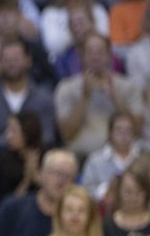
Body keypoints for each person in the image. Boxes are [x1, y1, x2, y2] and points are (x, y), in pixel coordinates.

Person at [53, 32, 141, 161]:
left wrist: (115, 97)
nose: (95, 57)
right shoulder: (66, 88)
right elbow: (66, 133)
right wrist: (85, 97)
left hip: (123, 155)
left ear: (110, 56)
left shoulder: (128, 86)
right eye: (90, 52)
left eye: (100, 52)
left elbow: (138, 129)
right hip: (81, 156)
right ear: (82, 56)